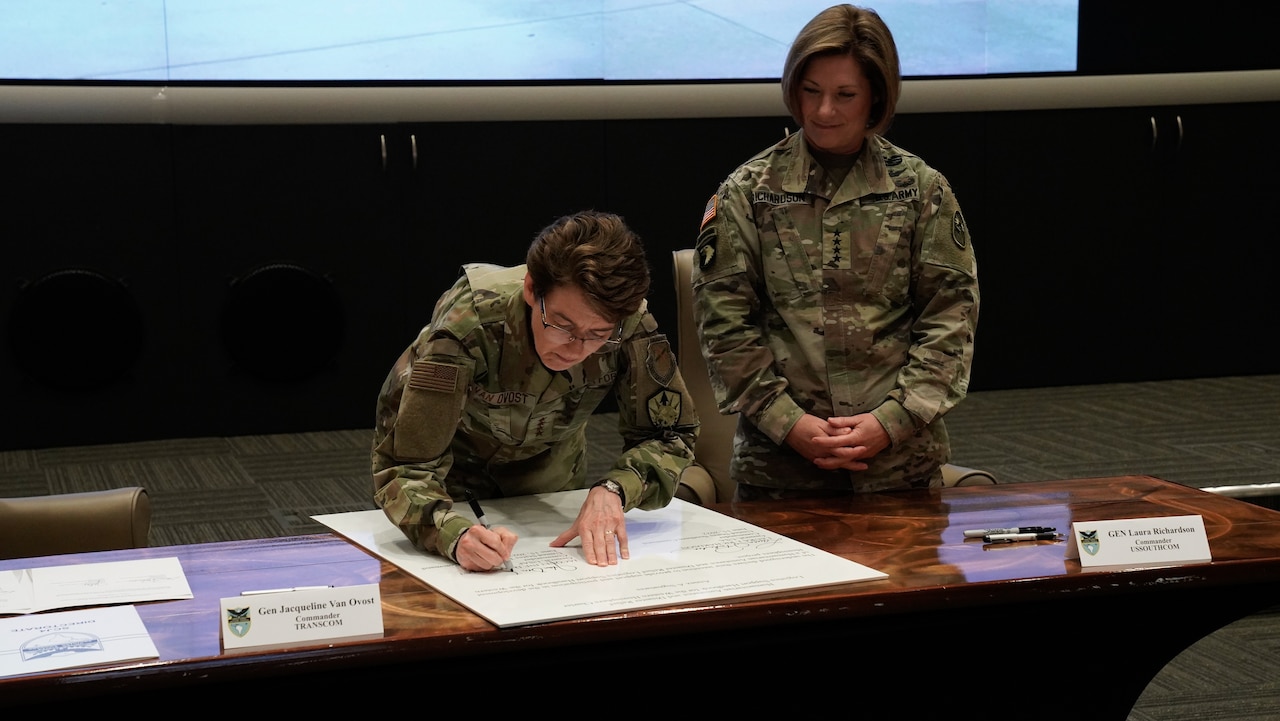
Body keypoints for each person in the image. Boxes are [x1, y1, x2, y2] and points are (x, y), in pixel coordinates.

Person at [692, 4, 979, 499]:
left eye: (845, 95)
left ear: (875, 98)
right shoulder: (748, 192)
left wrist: (892, 420)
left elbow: (951, 318)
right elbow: (725, 327)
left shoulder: (920, 189)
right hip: (779, 471)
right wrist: (790, 424)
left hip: (899, 466)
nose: (823, 111)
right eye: (811, 92)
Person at [372, 211, 699, 571]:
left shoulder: (629, 321)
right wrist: (451, 534)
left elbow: (670, 434)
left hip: (549, 479)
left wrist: (615, 490)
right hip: (449, 480)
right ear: (531, 290)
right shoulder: (470, 324)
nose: (577, 348)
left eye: (598, 334)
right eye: (562, 325)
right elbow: (406, 466)